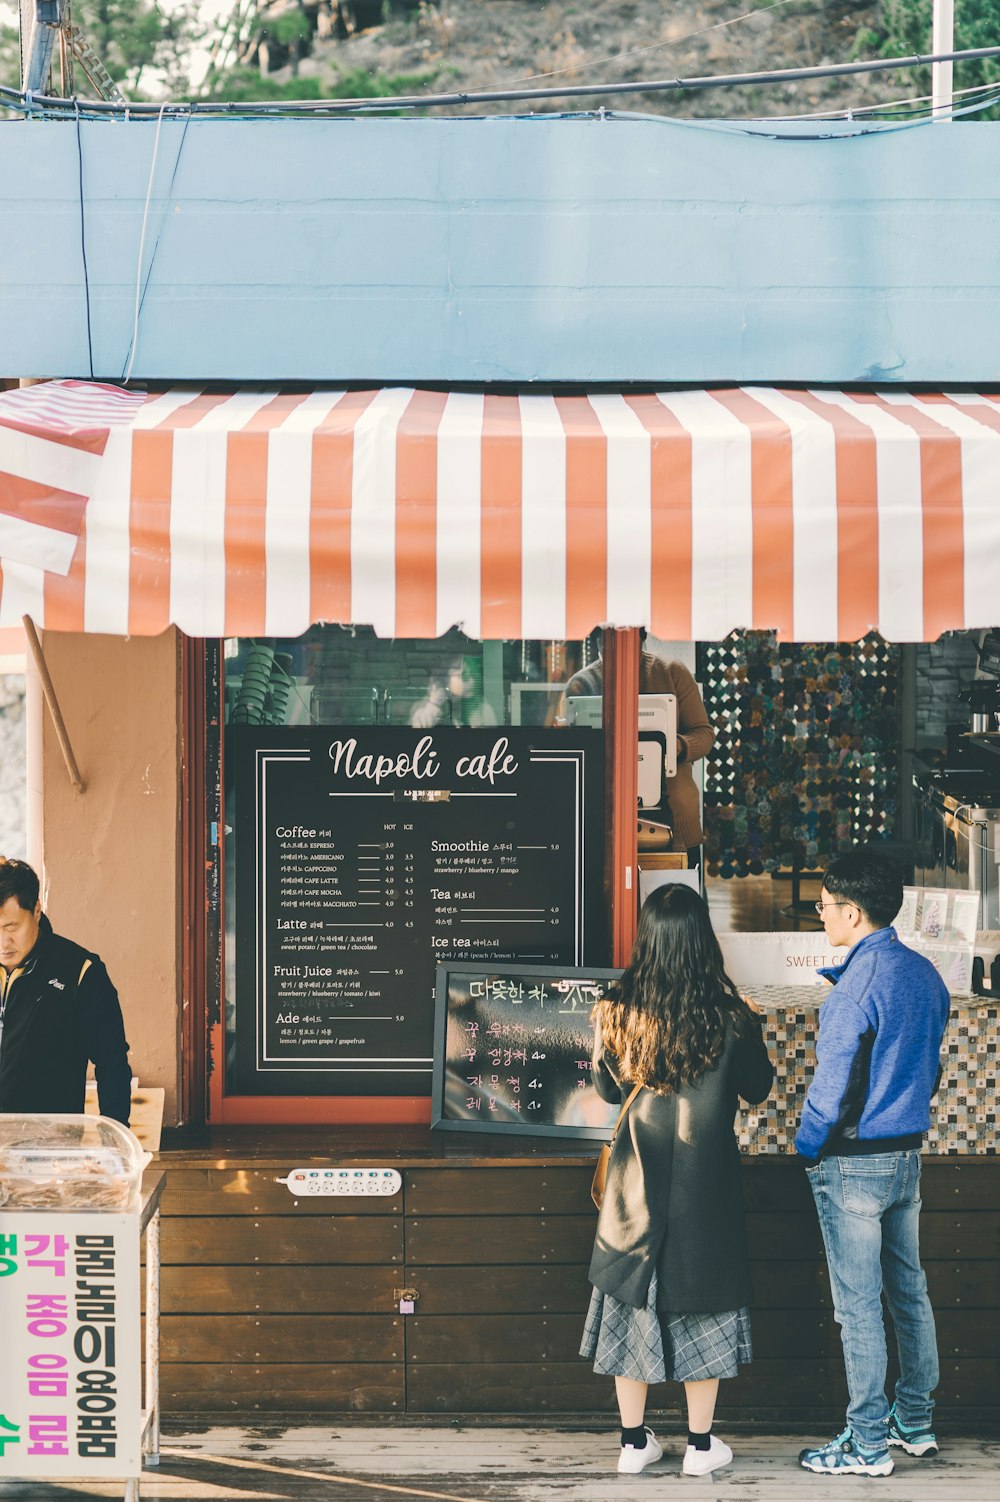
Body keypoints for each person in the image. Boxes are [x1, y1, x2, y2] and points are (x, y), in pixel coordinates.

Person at [580, 884, 773, 1477]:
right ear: (701, 942)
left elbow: (609, 1091)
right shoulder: (729, 1015)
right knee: (703, 1308)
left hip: (633, 1194)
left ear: (648, 940)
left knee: (630, 1308)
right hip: (704, 1190)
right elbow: (758, 1087)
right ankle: (699, 1446)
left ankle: (634, 1444)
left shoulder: (616, 1008)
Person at [796, 849, 949, 1478]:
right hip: (905, 1158)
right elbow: (932, 1068)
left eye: (824, 905)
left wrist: (808, 1146)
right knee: (909, 1292)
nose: (820, 914)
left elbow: (829, 1090)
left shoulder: (855, 987)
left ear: (852, 911)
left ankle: (865, 1445)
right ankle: (913, 1422)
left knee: (857, 1307)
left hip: (853, 1164)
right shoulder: (924, 973)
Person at [0, 857, 131, 1125]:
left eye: (11, 927)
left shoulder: (81, 971)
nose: (3, 942)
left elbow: (112, 1063)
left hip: (51, 1149)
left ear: (36, 910)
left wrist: (114, 1139)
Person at [564, 642, 713, 865]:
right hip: (603, 817)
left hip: (674, 817)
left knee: (675, 893)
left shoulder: (671, 671)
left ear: (641, 633)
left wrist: (676, 746)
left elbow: (705, 735)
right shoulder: (581, 683)